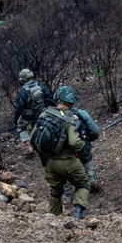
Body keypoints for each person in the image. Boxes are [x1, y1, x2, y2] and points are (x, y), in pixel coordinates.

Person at [35, 86, 91, 219]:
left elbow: (34, 139)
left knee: (55, 189)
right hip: (69, 161)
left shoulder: (44, 115)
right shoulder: (70, 119)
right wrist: (82, 147)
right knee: (83, 184)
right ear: (71, 101)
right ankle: (78, 214)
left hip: (50, 163)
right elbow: (75, 143)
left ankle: (54, 217)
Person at [56, 88, 99, 207]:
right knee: (87, 163)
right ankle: (90, 184)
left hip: (63, 156)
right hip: (82, 151)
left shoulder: (52, 115)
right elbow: (95, 131)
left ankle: (67, 196)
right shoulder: (81, 114)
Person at [13, 69, 49, 142]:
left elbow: (19, 108)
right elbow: (49, 99)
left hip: (29, 117)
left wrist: (16, 120)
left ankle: (27, 143)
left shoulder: (23, 91)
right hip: (42, 114)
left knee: (20, 127)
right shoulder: (41, 87)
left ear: (23, 79)